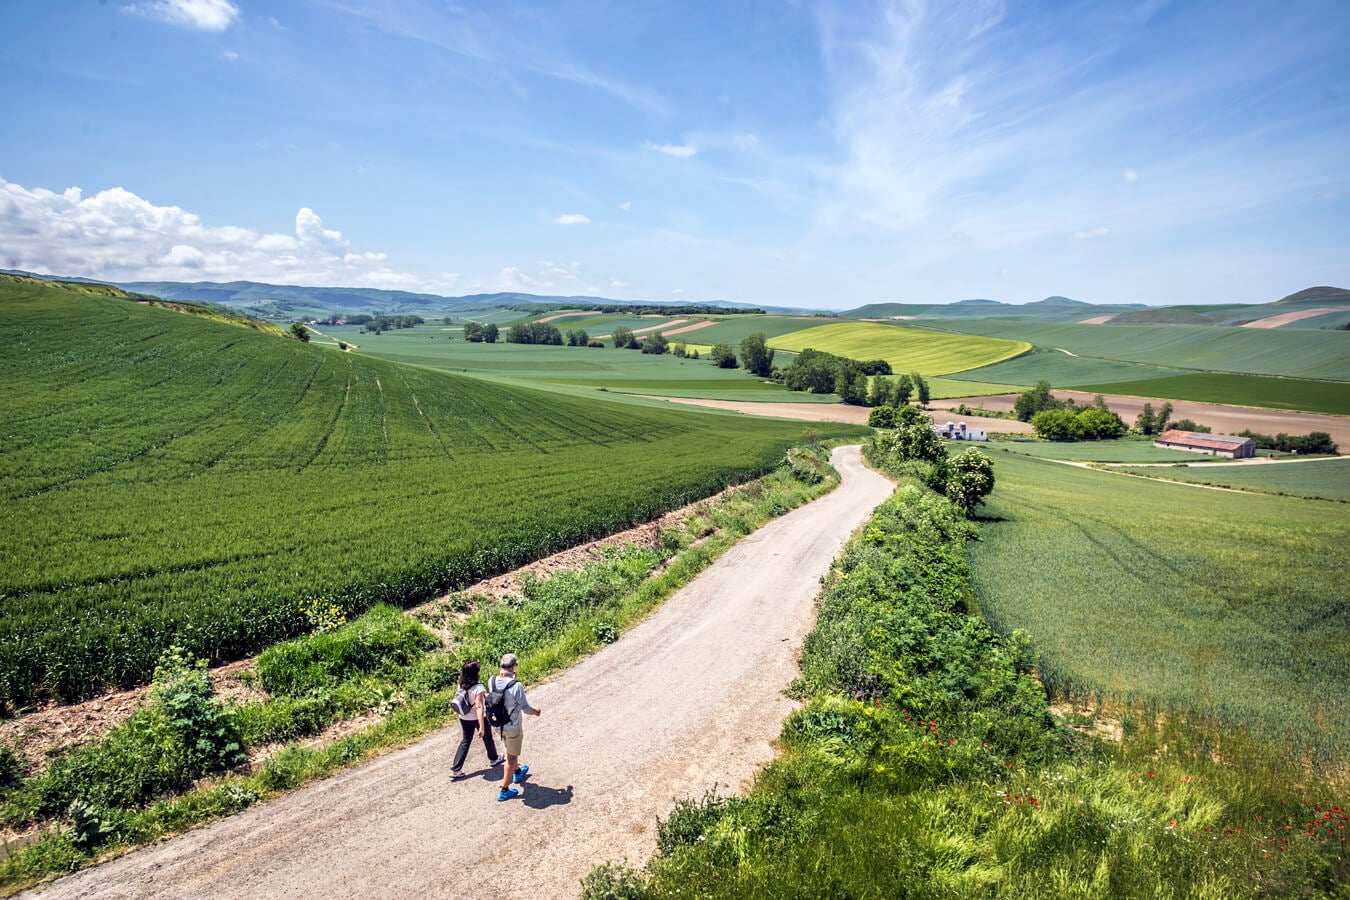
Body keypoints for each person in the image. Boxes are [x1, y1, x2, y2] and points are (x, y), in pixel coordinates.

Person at [491, 653, 541, 802]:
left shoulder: (491, 680)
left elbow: (500, 692)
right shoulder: (516, 686)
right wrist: (536, 712)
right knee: (511, 758)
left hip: (497, 724)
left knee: (509, 748)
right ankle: (504, 790)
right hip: (512, 727)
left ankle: (518, 771)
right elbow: (525, 708)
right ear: (513, 667)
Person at [450, 660, 503, 779]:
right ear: (475, 673)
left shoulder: (461, 685)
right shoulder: (478, 688)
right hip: (477, 717)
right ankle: (494, 758)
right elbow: (479, 707)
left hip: (464, 717)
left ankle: (456, 769)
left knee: (466, 740)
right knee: (488, 738)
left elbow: (467, 700)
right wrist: (482, 727)